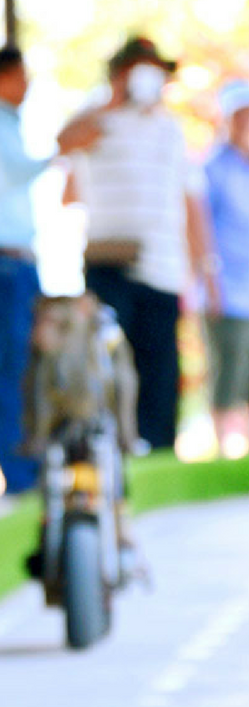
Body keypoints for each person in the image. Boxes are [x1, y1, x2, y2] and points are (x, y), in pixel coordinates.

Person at [0, 45, 97, 494]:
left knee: (30, 365)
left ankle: (30, 466)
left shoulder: (7, 127)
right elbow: (7, 178)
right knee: (13, 365)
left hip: (21, 261)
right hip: (0, 263)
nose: (28, 86)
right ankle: (17, 475)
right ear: (2, 78)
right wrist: (59, 149)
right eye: (21, 76)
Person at [63, 36, 211, 451]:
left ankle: (159, 450)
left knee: (161, 370)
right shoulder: (96, 117)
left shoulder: (171, 128)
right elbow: (63, 142)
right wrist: (112, 102)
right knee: (108, 362)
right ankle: (108, 449)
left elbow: (190, 198)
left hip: (163, 266)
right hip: (110, 261)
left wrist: (203, 267)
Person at [203, 79, 249, 458]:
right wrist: (209, 283)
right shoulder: (213, 168)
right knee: (228, 368)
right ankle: (222, 449)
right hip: (226, 290)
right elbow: (200, 229)